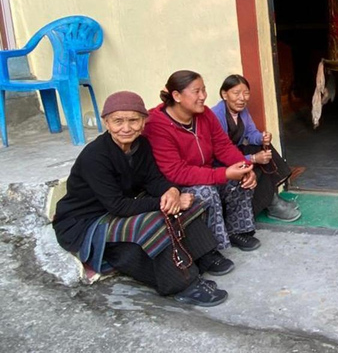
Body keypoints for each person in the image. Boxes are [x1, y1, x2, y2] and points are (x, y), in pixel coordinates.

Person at [53, 91, 229, 307]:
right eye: (118, 121)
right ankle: (184, 283)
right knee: (155, 221)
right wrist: (164, 203)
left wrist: (171, 192)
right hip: (86, 221)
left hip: (116, 208)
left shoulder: (141, 146)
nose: (126, 128)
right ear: (106, 123)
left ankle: (202, 255)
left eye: (133, 120)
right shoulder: (95, 156)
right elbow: (117, 205)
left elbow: (154, 180)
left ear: (144, 121)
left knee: (186, 202)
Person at [143, 70, 261, 258]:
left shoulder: (204, 114)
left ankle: (237, 231)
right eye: (197, 91)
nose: (203, 96)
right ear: (176, 96)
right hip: (175, 185)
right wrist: (223, 174)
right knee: (205, 191)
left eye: (204, 90)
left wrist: (243, 166)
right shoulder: (157, 125)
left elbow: (222, 146)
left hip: (204, 172)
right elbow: (176, 172)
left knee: (240, 178)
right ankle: (209, 251)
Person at [212, 74, 300, 222]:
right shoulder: (216, 115)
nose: (242, 98)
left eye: (246, 93)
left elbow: (251, 133)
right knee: (258, 162)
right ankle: (272, 205)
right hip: (220, 160)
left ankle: (273, 198)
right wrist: (252, 158)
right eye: (236, 93)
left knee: (263, 147)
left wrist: (262, 137)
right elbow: (220, 153)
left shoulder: (242, 111)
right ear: (224, 94)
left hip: (235, 152)